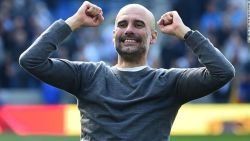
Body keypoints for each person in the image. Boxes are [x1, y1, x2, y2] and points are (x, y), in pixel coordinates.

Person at [19, 1, 235, 141]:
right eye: (122, 24)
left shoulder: (169, 82)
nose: (129, 30)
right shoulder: (86, 76)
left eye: (138, 24)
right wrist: (73, 22)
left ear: (153, 36)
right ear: (113, 34)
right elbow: (31, 60)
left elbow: (222, 72)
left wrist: (185, 32)